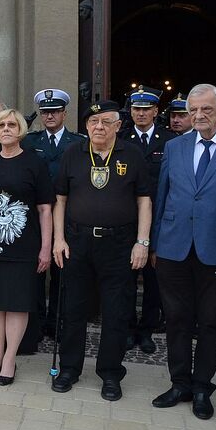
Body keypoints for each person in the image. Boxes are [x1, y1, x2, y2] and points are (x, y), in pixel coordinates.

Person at [150, 83, 216, 420]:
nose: (199, 115)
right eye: (193, 110)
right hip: (173, 247)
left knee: (211, 322)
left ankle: (203, 387)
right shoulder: (175, 147)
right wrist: (155, 243)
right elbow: (162, 197)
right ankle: (180, 384)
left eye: (207, 109)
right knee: (176, 319)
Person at [51, 100, 151, 401]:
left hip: (119, 244)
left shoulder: (132, 154)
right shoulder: (73, 153)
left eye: (106, 121)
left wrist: (142, 242)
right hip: (77, 242)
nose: (99, 127)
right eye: (93, 122)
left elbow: (144, 200)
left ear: (118, 125)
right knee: (73, 309)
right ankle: (69, 368)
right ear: (86, 126)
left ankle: (110, 373)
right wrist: (58, 239)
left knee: (116, 311)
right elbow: (60, 200)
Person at [0, 109, 54, 385]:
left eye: (11, 124)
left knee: (17, 303)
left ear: (20, 130)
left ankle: (10, 359)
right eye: (1, 125)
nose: (6, 129)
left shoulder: (35, 163)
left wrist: (46, 247)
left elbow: (45, 209)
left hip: (23, 247)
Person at [119, 86, 175, 353]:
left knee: (154, 281)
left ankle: (147, 330)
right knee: (126, 280)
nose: (140, 113)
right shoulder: (121, 139)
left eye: (145, 109)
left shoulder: (170, 141)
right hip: (126, 219)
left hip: (157, 221)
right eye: (136, 109)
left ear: (155, 111)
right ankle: (129, 329)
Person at [24, 89, 84, 338]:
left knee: (62, 272)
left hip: (66, 216)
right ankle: (37, 322)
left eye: (55, 111)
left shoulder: (78, 142)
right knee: (36, 272)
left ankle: (56, 322)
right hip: (36, 216)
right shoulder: (30, 142)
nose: (49, 116)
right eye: (45, 112)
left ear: (64, 114)